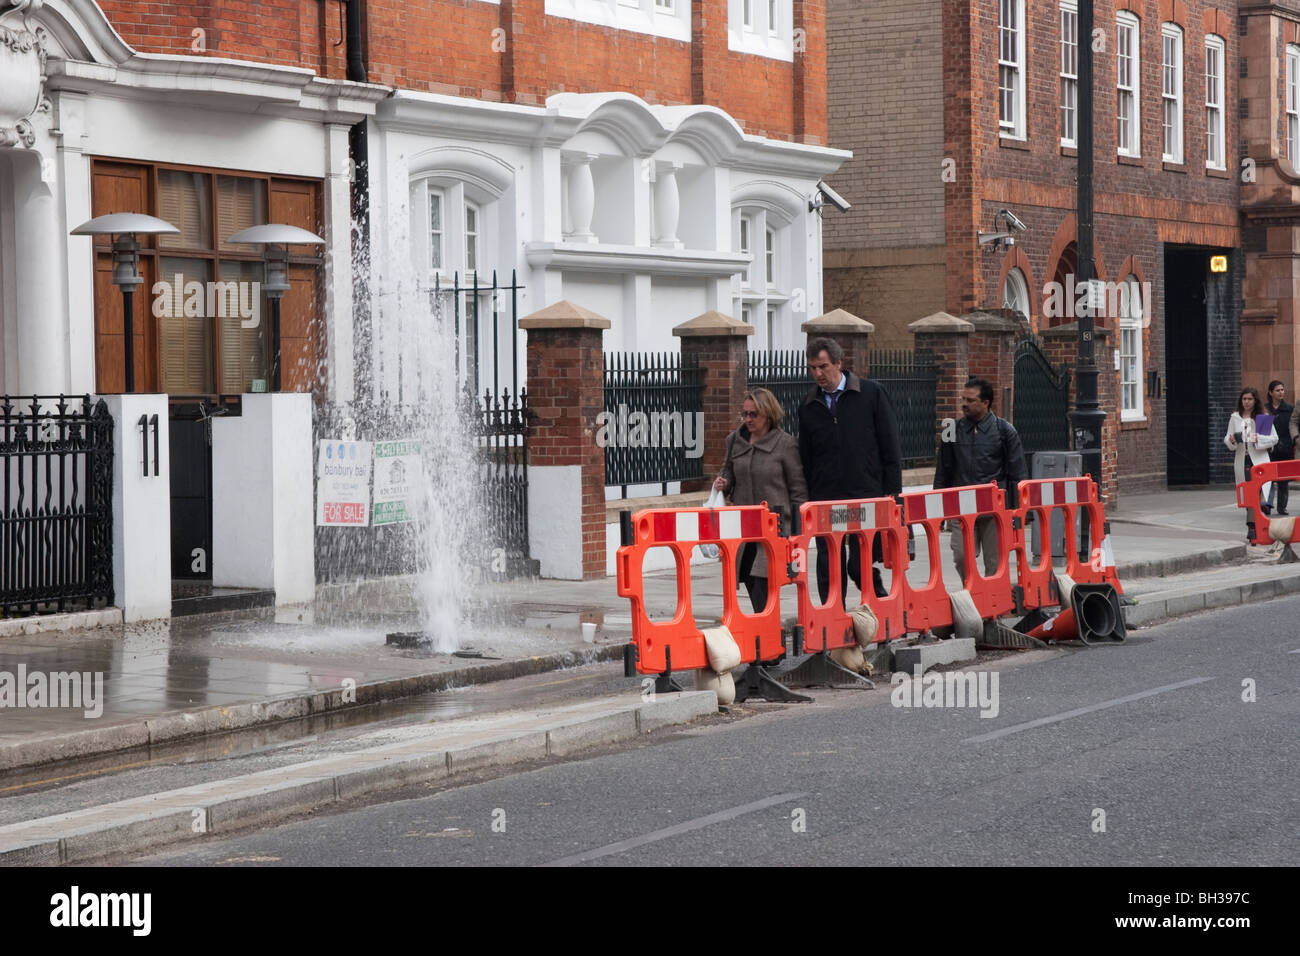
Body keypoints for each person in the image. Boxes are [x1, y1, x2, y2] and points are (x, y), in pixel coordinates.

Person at [797, 336, 903, 604]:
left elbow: (890, 448)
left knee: (859, 563)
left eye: (823, 366)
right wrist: (810, 495)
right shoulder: (808, 405)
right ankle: (832, 621)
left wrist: (893, 496)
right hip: (826, 497)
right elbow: (806, 456)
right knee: (828, 566)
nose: (818, 374)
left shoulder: (871, 394)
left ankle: (878, 603)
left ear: (839, 363)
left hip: (864, 493)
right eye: (812, 368)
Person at [714, 388, 808, 614]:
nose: (747, 419)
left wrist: (797, 531)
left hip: (775, 529)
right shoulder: (735, 441)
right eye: (744, 414)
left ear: (768, 414)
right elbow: (729, 473)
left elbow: (798, 490)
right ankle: (765, 635)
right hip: (744, 530)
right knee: (748, 578)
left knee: (762, 583)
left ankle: (768, 638)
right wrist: (724, 483)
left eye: (753, 414)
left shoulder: (786, 445)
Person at [933, 378, 1028, 581]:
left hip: (994, 509)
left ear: (986, 403)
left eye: (971, 400)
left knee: (994, 563)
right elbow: (943, 470)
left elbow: (1017, 474)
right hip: (961, 507)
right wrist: (937, 508)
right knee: (960, 556)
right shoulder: (952, 431)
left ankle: (992, 605)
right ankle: (973, 591)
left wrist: (1018, 511)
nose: (964, 404)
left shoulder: (1004, 431)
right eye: (963, 399)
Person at [1225, 386, 1276, 523]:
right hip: (1243, 461)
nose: (1246, 402)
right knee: (1248, 493)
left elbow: (1274, 438)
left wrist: (1257, 438)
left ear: (1255, 401)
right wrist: (1232, 440)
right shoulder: (1235, 418)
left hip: (1259, 460)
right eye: (1244, 399)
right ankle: (1253, 524)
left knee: (1258, 493)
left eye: (1250, 399)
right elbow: (1227, 438)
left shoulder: (1262, 418)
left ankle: (1253, 526)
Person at [1264, 380, 1293, 515]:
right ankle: (1268, 504)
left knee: (1283, 480)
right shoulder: (1265, 409)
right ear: (1270, 393)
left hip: (1285, 448)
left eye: (1282, 390)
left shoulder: (1289, 409)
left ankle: (1282, 507)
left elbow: (1292, 427)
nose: (1281, 392)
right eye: (1277, 390)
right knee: (1268, 478)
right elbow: (1262, 430)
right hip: (1269, 449)